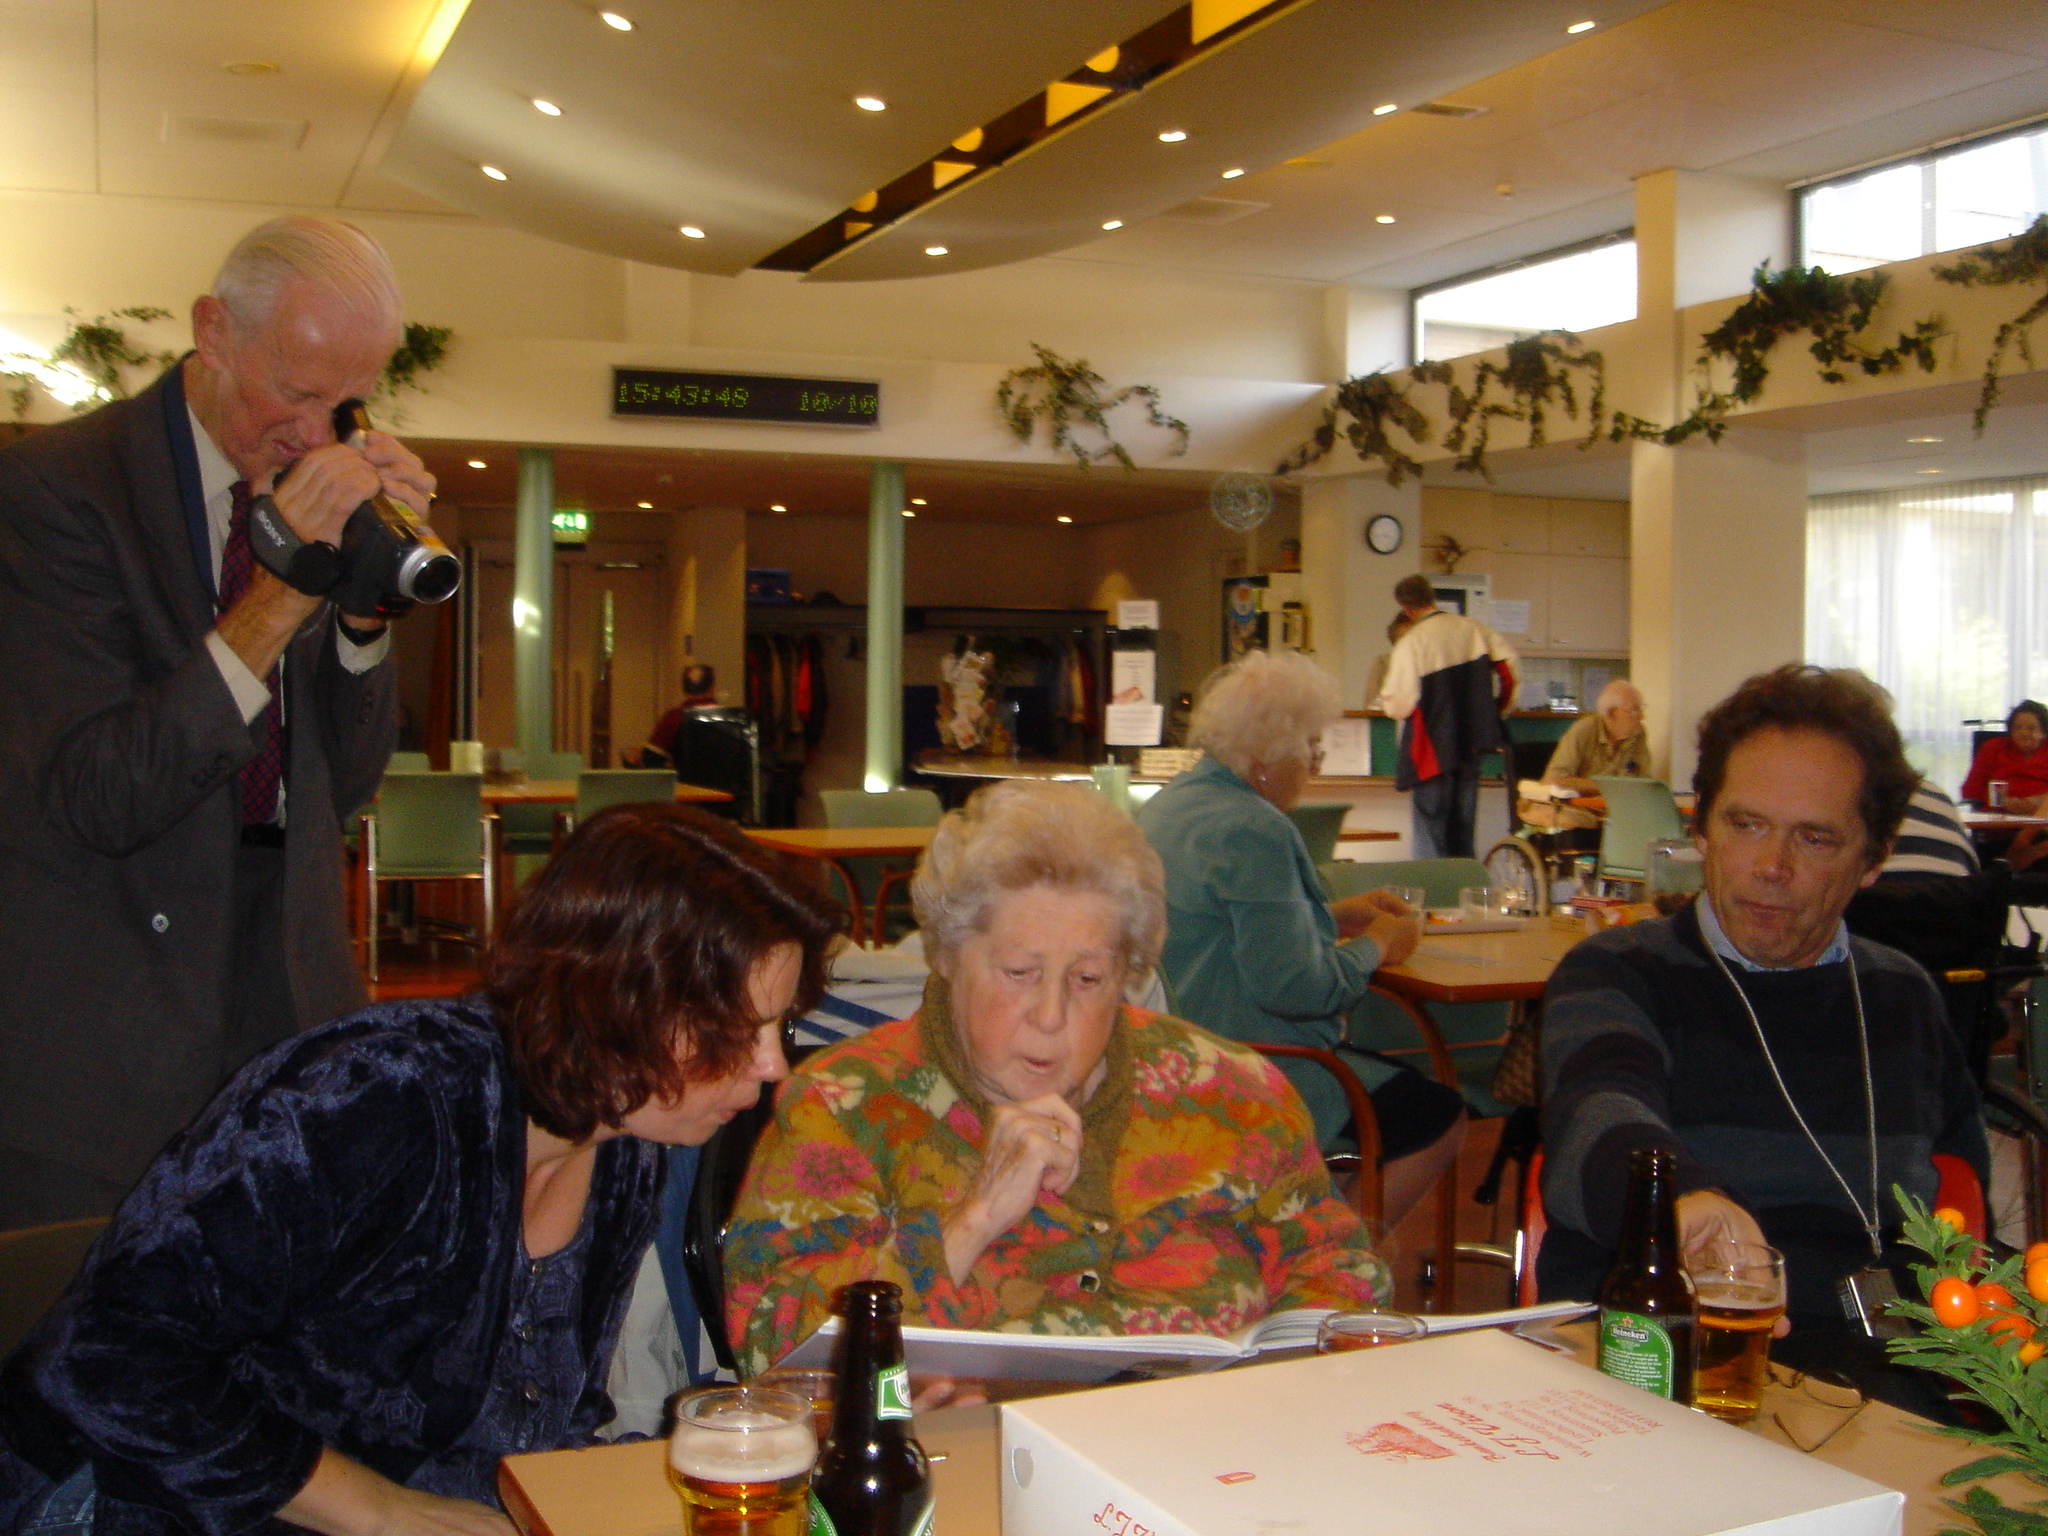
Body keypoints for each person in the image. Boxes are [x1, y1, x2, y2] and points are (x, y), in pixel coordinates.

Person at [0, 803, 840, 1536]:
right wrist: (381, 1511)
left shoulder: (624, 1145)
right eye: (739, 1031)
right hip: (146, 1504)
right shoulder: (377, 1099)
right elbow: (105, 1357)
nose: (773, 1068)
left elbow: (535, 1417)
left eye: (781, 1029)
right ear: (619, 1001)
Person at [0, 217, 432, 1228]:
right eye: (298, 391)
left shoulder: (304, 491)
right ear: (214, 331)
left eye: (347, 402)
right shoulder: (56, 491)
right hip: (103, 1042)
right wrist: (286, 590)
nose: (317, 434)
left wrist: (363, 604)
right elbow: (101, 793)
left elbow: (343, 788)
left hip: (286, 1013)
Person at [723, 781, 1389, 1377]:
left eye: (1088, 979)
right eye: (1019, 973)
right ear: (947, 956)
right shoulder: (844, 1107)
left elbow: (1342, 1276)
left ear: (1127, 973)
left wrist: (1279, 1381)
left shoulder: (1233, 1093)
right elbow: (770, 1341)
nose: (1050, 1015)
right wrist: (973, 1220)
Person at [1539, 664, 1987, 1342]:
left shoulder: (1905, 995)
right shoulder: (1617, 972)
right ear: (1701, 828)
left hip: (1882, 1364)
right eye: (1746, 824)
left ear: (1874, 859)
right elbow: (1599, 1113)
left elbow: (1961, 1198)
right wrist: (1682, 1206)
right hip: (1661, 1349)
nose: (1772, 866)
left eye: (1815, 838)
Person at [1138, 648, 1467, 1229]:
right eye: (1311, 743)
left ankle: (1306, 1233)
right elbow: (1299, 990)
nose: (1317, 760)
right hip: (1254, 1067)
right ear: (1264, 758)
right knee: (1438, 1115)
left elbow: (1219, 930)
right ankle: (1343, 1260)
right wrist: (1379, 945)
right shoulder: (1256, 827)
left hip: (1171, 1056)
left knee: (1394, 1097)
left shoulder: (1170, 806)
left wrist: (1331, 918)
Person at [1377, 573, 1519, 858]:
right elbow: (1509, 673)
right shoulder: (1474, 629)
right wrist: (1496, 711)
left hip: (1430, 750)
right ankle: (1463, 885)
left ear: (1405, 608)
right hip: (1471, 744)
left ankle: (1433, 888)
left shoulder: (1412, 643)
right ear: (1432, 597)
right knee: (1463, 834)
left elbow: (1398, 705)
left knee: (1430, 836)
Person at [1516, 680, 1649, 832]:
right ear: (1612, 713)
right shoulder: (1584, 730)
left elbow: (1643, 780)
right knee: (1581, 820)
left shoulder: (1637, 735)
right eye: (1634, 710)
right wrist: (1601, 787)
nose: (1642, 716)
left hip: (1610, 807)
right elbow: (1554, 780)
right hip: (1573, 806)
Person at [1960, 700, 2048, 812]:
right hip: (1999, 814)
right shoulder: (1993, 748)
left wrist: (2039, 801)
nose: (2024, 733)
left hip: (2042, 813)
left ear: (2044, 732)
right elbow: (1969, 789)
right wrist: (2002, 801)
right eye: (2018, 728)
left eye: (2031, 728)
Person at [641, 662, 720, 766]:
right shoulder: (726, 717)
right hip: (722, 776)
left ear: (683, 689)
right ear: (712, 688)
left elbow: (651, 758)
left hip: (685, 775)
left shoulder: (673, 718)